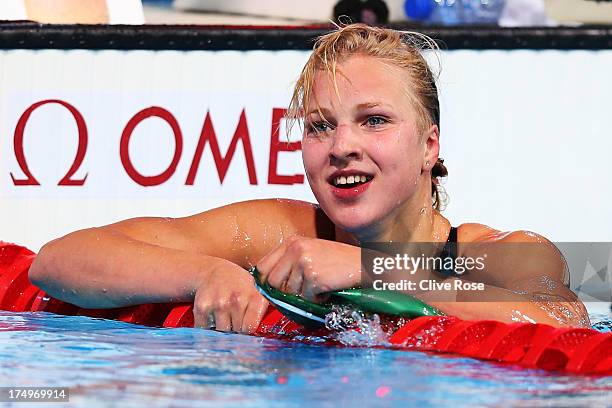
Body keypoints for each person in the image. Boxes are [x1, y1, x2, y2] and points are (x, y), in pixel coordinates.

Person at [29, 24, 589, 333]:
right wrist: (203, 272)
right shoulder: (281, 233)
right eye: (320, 126)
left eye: (374, 121)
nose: (342, 147)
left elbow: (565, 319)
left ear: (430, 146)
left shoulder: (491, 252)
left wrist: (373, 272)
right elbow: (57, 261)